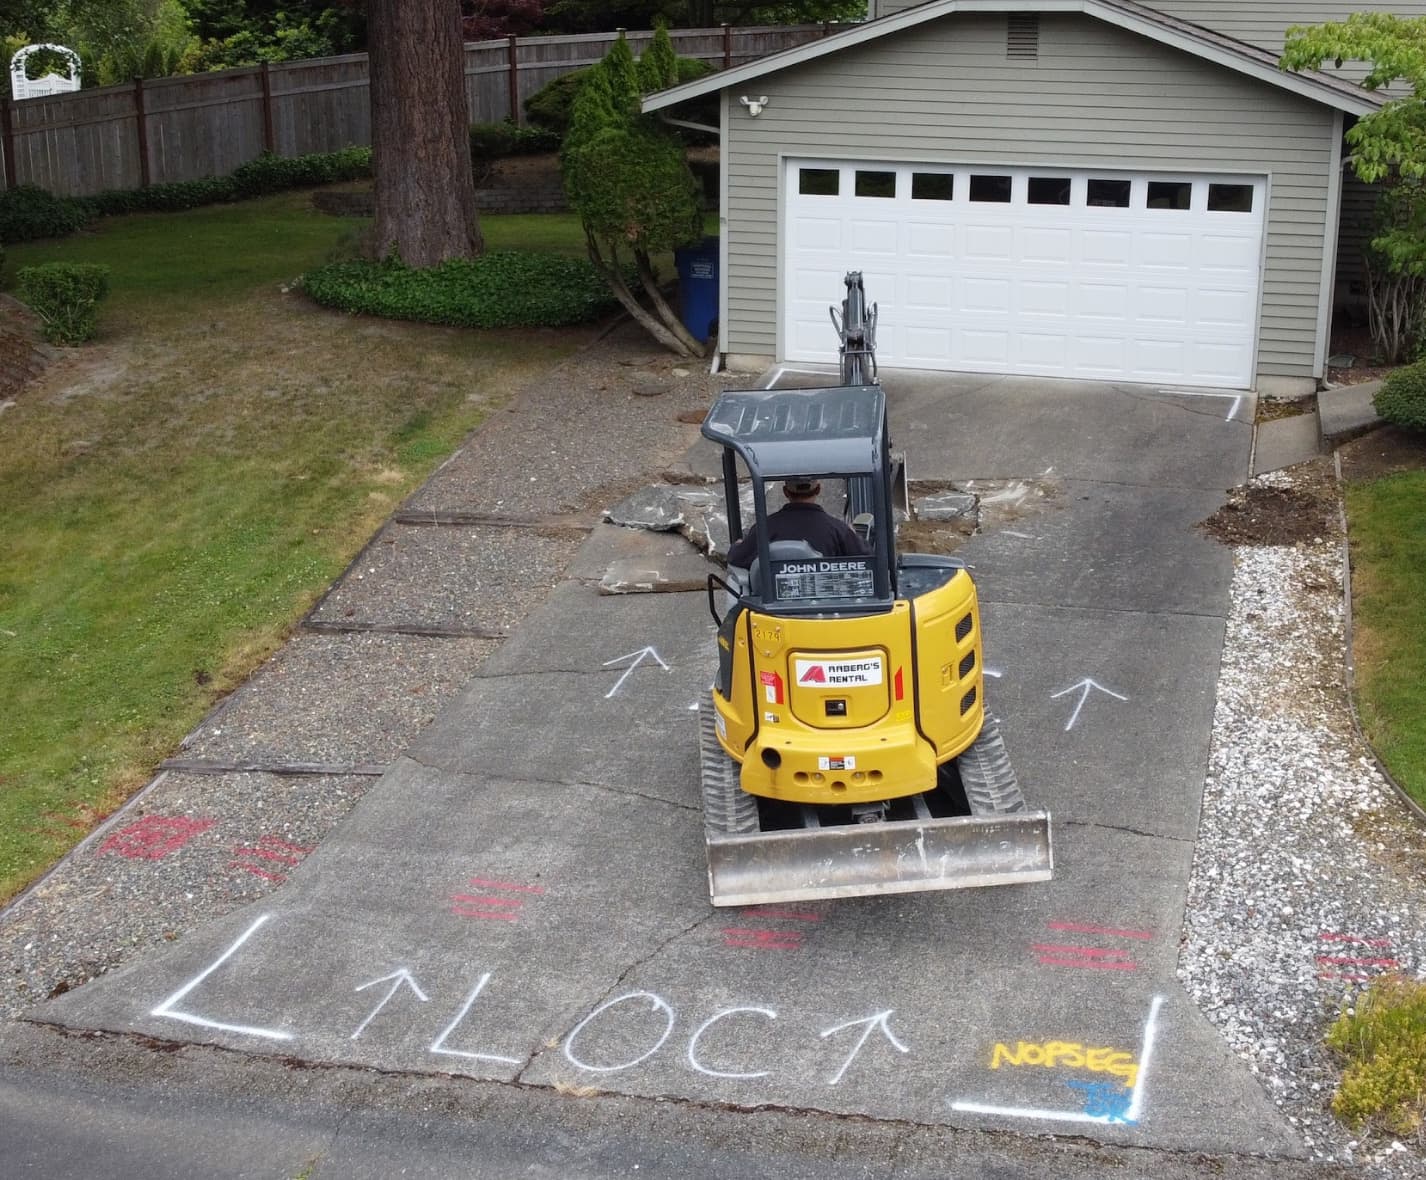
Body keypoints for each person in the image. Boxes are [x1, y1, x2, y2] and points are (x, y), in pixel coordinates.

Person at [727, 478, 870, 569]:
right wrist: (855, 536)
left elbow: (736, 558)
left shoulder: (764, 528)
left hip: (771, 610)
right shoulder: (838, 529)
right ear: (818, 490)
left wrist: (738, 545)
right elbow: (867, 559)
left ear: (785, 492)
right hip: (825, 609)